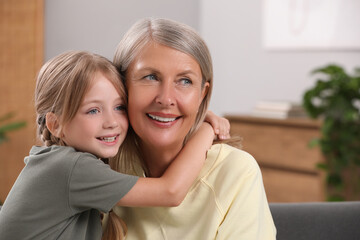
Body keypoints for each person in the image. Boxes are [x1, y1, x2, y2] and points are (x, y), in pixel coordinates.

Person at [0, 51, 228, 240]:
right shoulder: (72, 168)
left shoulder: (58, 162)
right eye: (93, 110)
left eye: (119, 107)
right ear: (56, 124)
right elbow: (170, 191)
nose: (111, 123)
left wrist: (182, 114)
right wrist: (205, 128)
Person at [109, 18, 277, 239]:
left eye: (185, 81)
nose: (166, 99)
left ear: (202, 94)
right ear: (121, 86)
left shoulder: (235, 172)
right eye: (150, 77)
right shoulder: (99, 166)